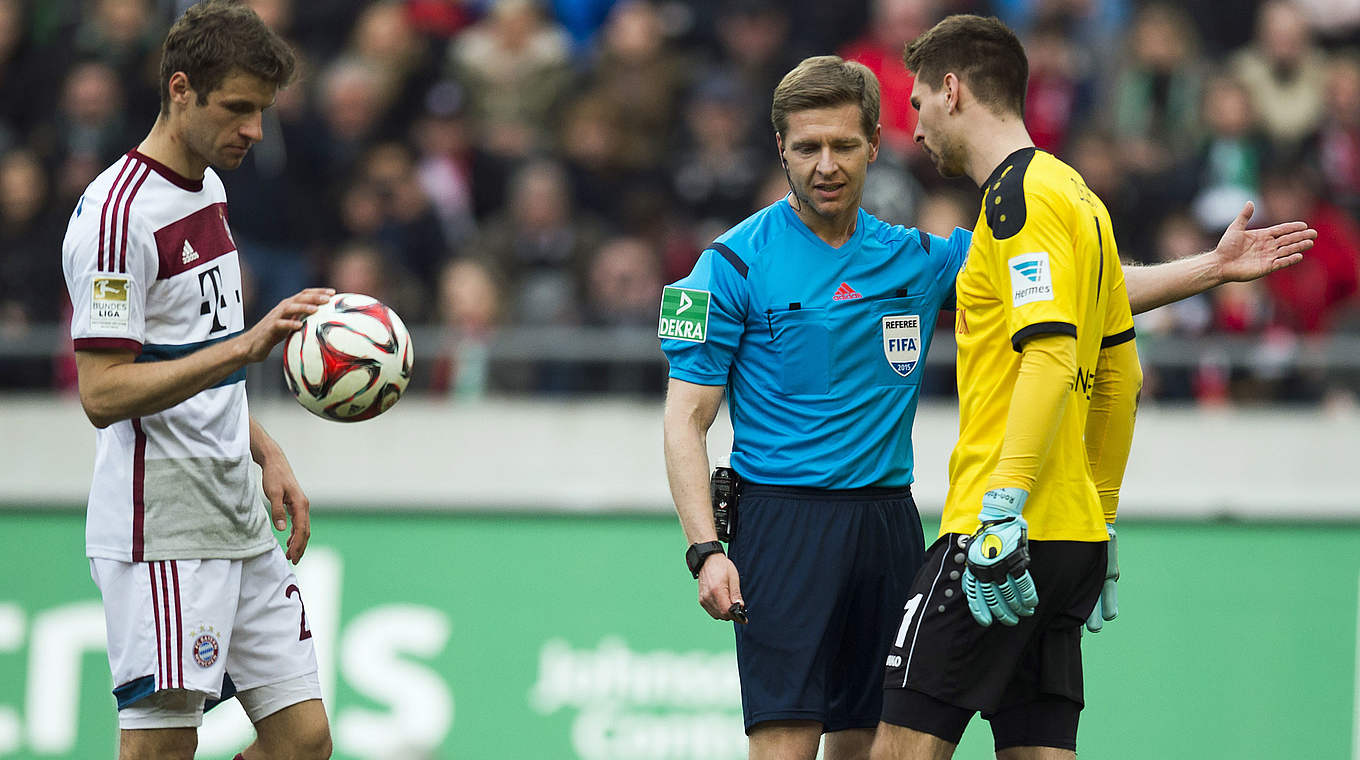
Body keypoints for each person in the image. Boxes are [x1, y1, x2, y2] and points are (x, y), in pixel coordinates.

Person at [661, 50, 1317, 760]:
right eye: (810, 146)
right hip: (784, 521)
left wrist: (1211, 269)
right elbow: (684, 419)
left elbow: (1077, 293)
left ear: (875, 147)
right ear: (780, 147)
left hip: (886, 522)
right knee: (785, 744)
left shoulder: (916, 256)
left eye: (844, 145)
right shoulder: (730, 263)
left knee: (863, 743)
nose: (827, 164)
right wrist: (705, 551)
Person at [872, 15, 1317, 760]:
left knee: (897, 749)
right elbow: (1120, 373)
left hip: (999, 531)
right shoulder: (1076, 196)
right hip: (1068, 536)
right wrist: (1100, 518)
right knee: (1037, 749)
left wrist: (1003, 509)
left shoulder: (1014, 200)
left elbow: (1049, 355)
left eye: (916, 104)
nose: (913, 128)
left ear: (952, 91)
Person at [60, 3, 334, 759]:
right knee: (161, 750)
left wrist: (263, 447)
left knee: (303, 741)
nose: (253, 129)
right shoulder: (120, 220)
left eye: (263, 111)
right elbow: (103, 392)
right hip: (163, 522)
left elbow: (189, 350)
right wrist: (246, 349)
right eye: (237, 108)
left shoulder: (208, 187)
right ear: (181, 90)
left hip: (233, 505)